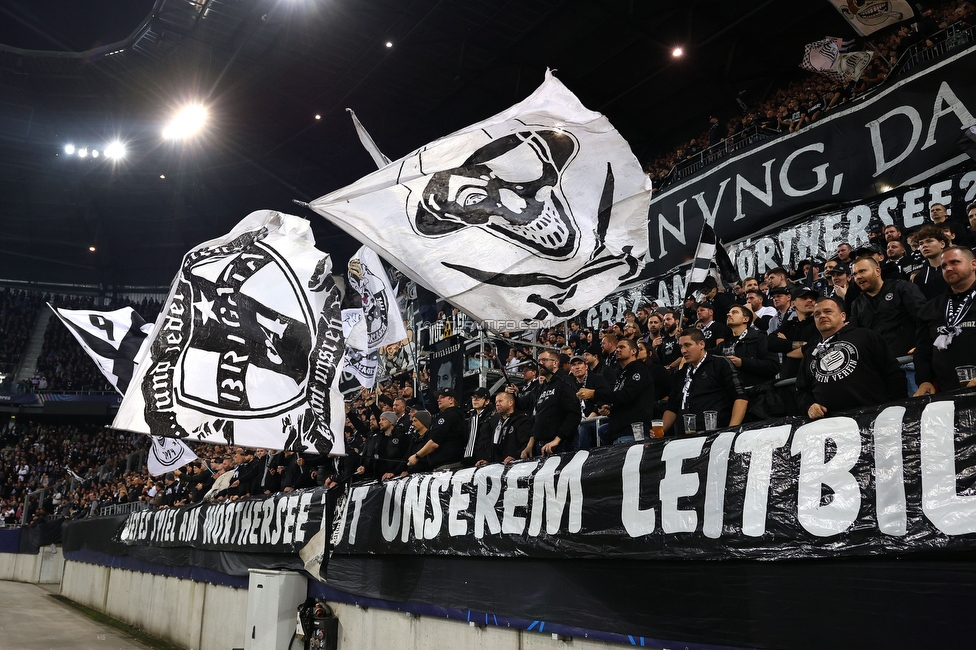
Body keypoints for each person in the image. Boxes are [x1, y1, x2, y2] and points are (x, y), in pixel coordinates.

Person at [796, 296, 906, 420]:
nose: (822, 316)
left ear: (843, 316)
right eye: (817, 314)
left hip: (874, 417)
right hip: (829, 425)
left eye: (828, 311)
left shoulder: (866, 336)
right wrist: (809, 406)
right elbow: (802, 390)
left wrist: (897, 407)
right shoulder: (811, 353)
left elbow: (893, 373)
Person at [849, 256, 926, 392]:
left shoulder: (902, 288)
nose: (858, 277)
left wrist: (922, 344)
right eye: (855, 274)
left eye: (862, 271)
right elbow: (856, 337)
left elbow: (924, 318)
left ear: (878, 271)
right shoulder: (857, 304)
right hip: (880, 372)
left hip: (909, 364)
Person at [662, 329, 748, 435]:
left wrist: (730, 432)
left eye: (687, 345)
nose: (683, 350)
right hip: (683, 437)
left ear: (701, 344)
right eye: (681, 347)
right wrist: (659, 432)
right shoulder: (680, 374)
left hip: (714, 434)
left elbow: (740, 398)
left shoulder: (720, 364)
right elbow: (672, 407)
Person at [915, 247, 976, 395]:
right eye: (943, 266)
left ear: (974, 264)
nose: (948, 268)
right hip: (947, 393)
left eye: (955, 262)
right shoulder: (931, 308)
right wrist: (925, 380)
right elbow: (923, 349)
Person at [577, 339, 654, 444]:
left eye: (622, 347)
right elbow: (622, 400)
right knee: (602, 430)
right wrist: (610, 408)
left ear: (633, 351)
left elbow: (626, 395)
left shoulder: (638, 370)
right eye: (617, 347)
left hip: (632, 433)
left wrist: (594, 393)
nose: (617, 350)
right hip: (620, 432)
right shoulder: (622, 374)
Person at [531, 349, 581, 455]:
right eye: (539, 360)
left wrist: (558, 439)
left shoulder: (564, 381)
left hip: (560, 445)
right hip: (540, 446)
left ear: (555, 363)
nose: (540, 363)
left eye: (544, 360)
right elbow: (537, 416)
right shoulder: (541, 387)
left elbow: (574, 414)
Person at [720, 304, 779, 389]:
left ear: (746, 319)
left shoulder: (760, 338)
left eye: (734, 312)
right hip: (732, 395)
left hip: (757, 394)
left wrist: (742, 362)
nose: (728, 314)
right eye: (729, 313)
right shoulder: (725, 343)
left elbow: (773, 366)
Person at [407, 388, 466, 470]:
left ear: (451, 400)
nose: (438, 400)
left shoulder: (448, 415)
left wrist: (417, 456)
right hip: (451, 464)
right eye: (438, 397)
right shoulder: (455, 415)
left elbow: (434, 443)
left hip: (447, 466)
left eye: (442, 397)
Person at [477, 392, 534, 465]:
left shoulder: (522, 420)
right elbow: (495, 448)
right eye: (496, 402)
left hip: (516, 467)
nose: (497, 404)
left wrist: (515, 458)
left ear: (510, 403)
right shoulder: (497, 423)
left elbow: (526, 445)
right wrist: (489, 462)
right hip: (498, 468)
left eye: (500, 401)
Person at [570, 355, 610, 449]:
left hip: (595, 421)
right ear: (571, 369)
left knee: (584, 427)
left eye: (580, 363)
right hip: (577, 421)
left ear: (586, 366)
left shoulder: (597, 378)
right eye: (574, 365)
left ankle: (582, 457)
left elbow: (605, 397)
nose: (577, 367)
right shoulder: (570, 384)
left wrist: (592, 414)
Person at [912, 225, 950, 300]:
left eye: (929, 241)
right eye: (921, 243)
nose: (924, 245)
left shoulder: (954, 269)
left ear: (942, 244)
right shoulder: (919, 278)